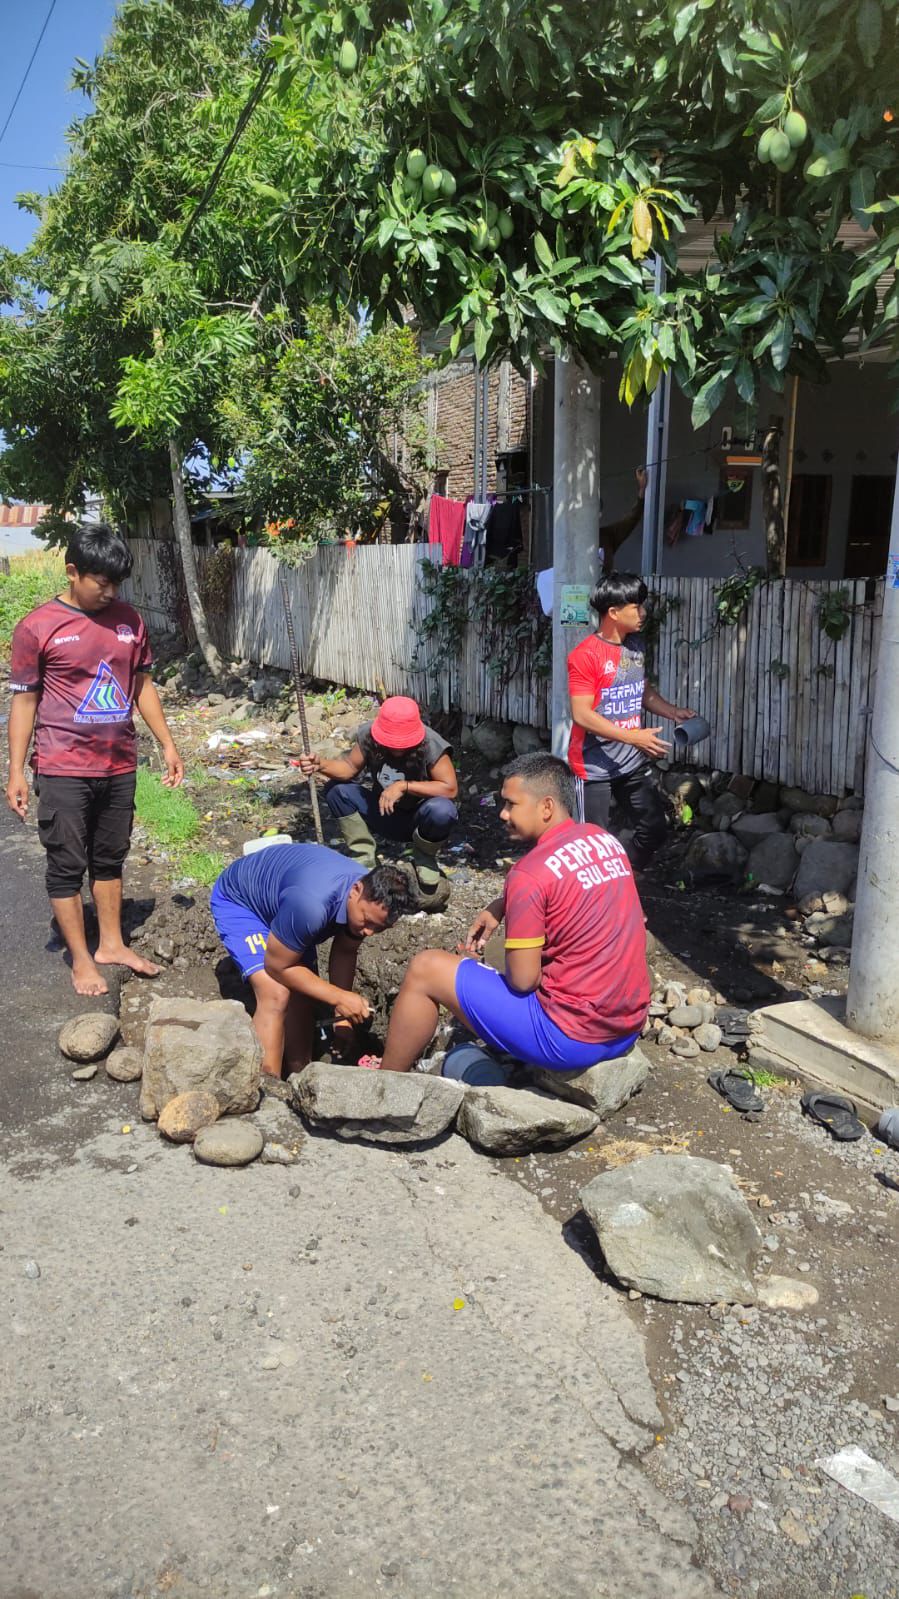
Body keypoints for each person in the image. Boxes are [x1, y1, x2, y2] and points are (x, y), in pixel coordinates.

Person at [375, 752, 649, 1073]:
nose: (502, 814)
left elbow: (523, 981)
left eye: (511, 804)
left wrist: (487, 958)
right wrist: (503, 903)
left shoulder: (528, 875)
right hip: (627, 1026)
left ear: (546, 806)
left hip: (571, 1038)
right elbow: (568, 885)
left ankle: (385, 1082)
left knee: (425, 968)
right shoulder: (603, 840)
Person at [6, 522, 183, 997]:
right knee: (66, 864)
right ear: (72, 572)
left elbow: (142, 686)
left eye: (117, 583)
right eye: (100, 582)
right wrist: (16, 771)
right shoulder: (37, 627)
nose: (110, 592)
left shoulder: (130, 621)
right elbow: (23, 703)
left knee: (110, 858)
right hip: (62, 765)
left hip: (119, 763)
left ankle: (110, 944)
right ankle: (81, 959)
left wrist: (166, 743)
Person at [210, 842, 410, 1077]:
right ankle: (268, 1090)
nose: (368, 932)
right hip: (243, 902)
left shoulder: (364, 903)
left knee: (304, 993)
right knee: (276, 993)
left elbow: (345, 951)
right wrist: (340, 997)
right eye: (366, 921)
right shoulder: (312, 904)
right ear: (355, 890)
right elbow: (276, 967)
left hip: (288, 907)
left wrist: (342, 1018)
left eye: (379, 928)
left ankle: (300, 1075)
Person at [567, 572, 695, 870]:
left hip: (629, 763)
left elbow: (641, 690)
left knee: (654, 829)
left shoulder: (635, 645)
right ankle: (593, 904)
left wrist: (672, 711)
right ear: (613, 612)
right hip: (593, 766)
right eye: (636, 606)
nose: (643, 613)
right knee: (590, 845)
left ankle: (621, 877)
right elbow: (582, 714)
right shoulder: (585, 655)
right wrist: (635, 738)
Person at [298, 695, 458, 904]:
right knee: (337, 791)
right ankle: (364, 858)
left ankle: (424, 857)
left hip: (419, 820)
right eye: (391, 742)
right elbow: (348, 769)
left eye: (402, 743)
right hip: (384, 813)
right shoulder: (368, 736)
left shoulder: (432, 744)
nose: (396, 749)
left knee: (443, 810)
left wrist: (404, 786)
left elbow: (450, 788)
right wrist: (320, 764)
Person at [599, 466, 647, 573]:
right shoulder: (571, 540)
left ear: (599, 514)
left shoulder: (606, 535)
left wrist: (642, 490)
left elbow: (632, 519)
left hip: (604, 587)